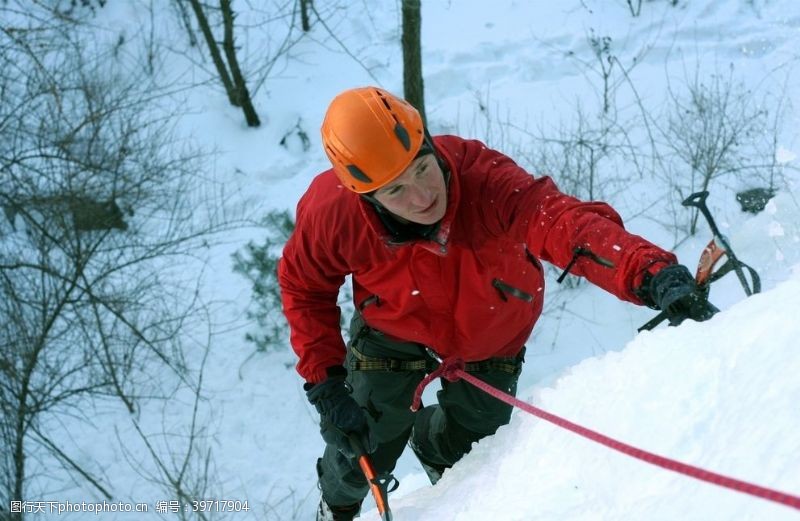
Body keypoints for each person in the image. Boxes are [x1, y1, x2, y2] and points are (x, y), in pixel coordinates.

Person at [277, 86, 715, 521]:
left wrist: (650, 273)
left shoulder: (484, 179)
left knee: (474, 451)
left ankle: (432, 444)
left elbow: (561, 222)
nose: (422, 197)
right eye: (395, 192)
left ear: (429, 145)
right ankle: (335, 508)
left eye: (423, 169)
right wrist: (326, 383)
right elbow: (304, 287)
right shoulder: (333, 213)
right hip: (394, 327)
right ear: (366, 197)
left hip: (491, 328)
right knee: (360, 447)